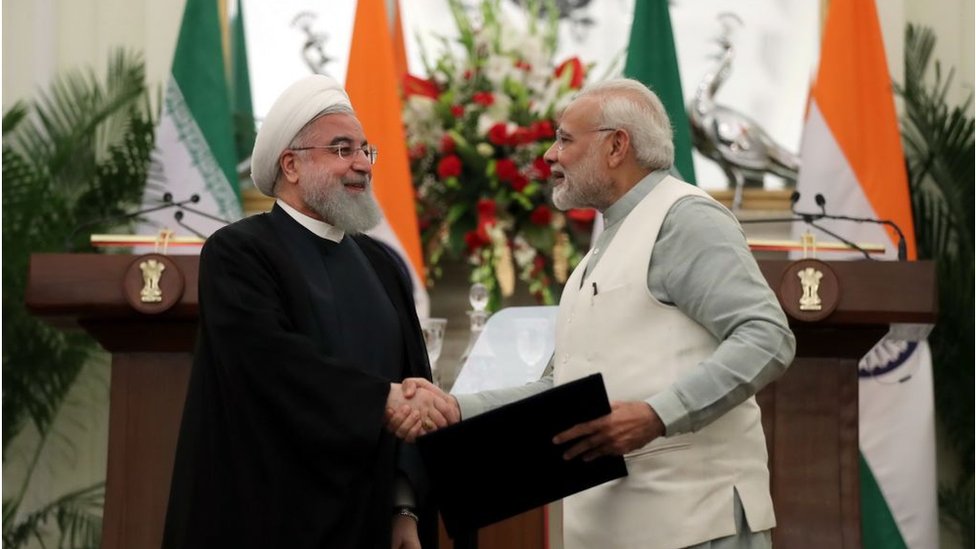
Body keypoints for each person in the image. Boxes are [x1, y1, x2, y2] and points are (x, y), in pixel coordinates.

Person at [390, 78, 796, 549]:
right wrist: (455, 407)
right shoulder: (595, 255)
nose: (549, 155)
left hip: (696, 526)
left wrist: (657, 415)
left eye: (565, 139)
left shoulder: (686, 218)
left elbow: (767, 336)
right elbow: (560, 390)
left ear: (617, 145)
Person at [162, 75, 456, 549]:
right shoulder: (238, 253)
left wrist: (404, 508)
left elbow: (410, 376)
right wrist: (379, 400)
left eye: (366, 150)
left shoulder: (383, 266)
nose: (362, 164)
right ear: (292, 166)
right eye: (342, 150)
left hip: (369, 523)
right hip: (267, 518)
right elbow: (269, 365)